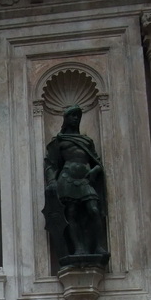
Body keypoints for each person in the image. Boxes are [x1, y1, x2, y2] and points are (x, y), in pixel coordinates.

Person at [42, 104, 108, 266]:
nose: (76, 118)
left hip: (85, 179)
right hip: (67, 179)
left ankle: (98, 245)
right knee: (71, 213)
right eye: (73, 115)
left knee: (93, 210)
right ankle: (78, 248)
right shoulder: (59, 141)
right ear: (66, 119)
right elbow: (51, 164)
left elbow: (97, 162)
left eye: (78, 116)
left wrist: (95, 171)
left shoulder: (86, 141)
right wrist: (51, 182)